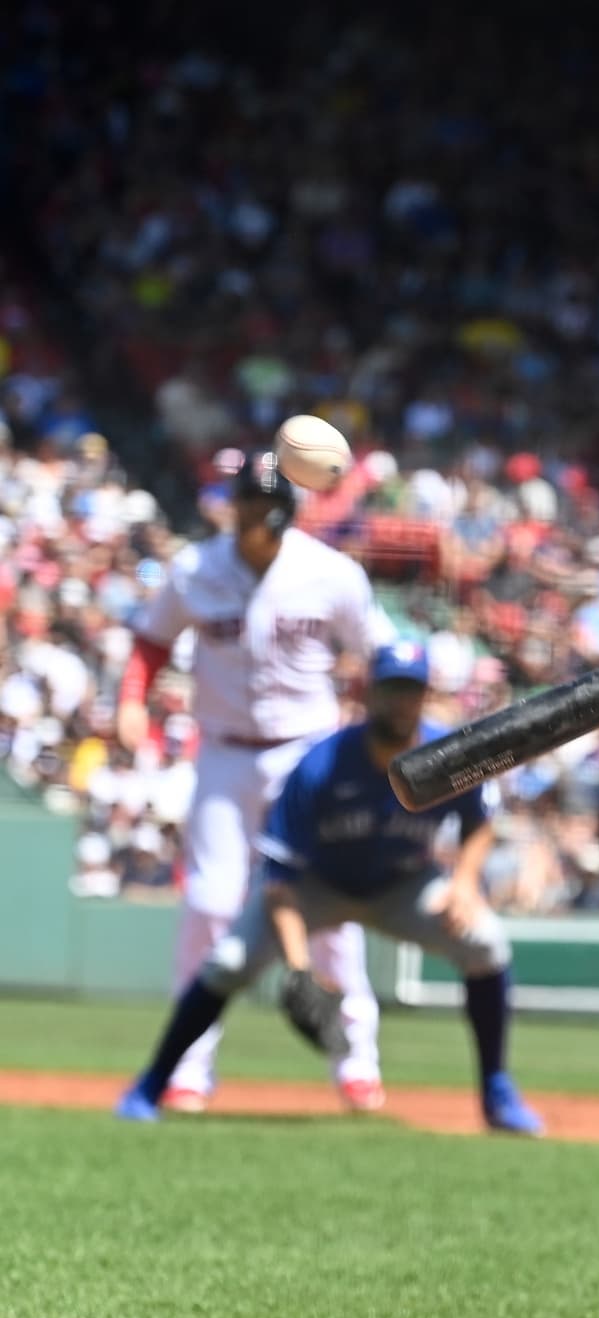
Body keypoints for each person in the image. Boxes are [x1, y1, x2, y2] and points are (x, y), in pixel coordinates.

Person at [116, 642, 543, 1135]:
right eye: (391, 690)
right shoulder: (322, 764)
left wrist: (465, 883)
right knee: (229, 962)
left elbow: (480, 821)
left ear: (425, 696)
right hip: (314, 888)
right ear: (369, 694)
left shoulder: (447, 755)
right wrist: (299, 967)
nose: (401, 702)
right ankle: (149, 1085)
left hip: (403, 885)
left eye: (411, 691)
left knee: (486, 943)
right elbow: (280, 879)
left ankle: (497, 1091)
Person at [116, 450, 386, 1113]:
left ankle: (356, 1060)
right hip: (225, 753)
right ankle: (187, 1067)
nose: (249, 518)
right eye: (244, 505)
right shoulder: (196, 568)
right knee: (209, 904)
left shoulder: (331, 574)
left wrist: (378, 735)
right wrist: (130, 700)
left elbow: (378, 654)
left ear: (284, 512)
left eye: (262, 508)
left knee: (329, 911)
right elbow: (151, 641)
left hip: (309, 754)